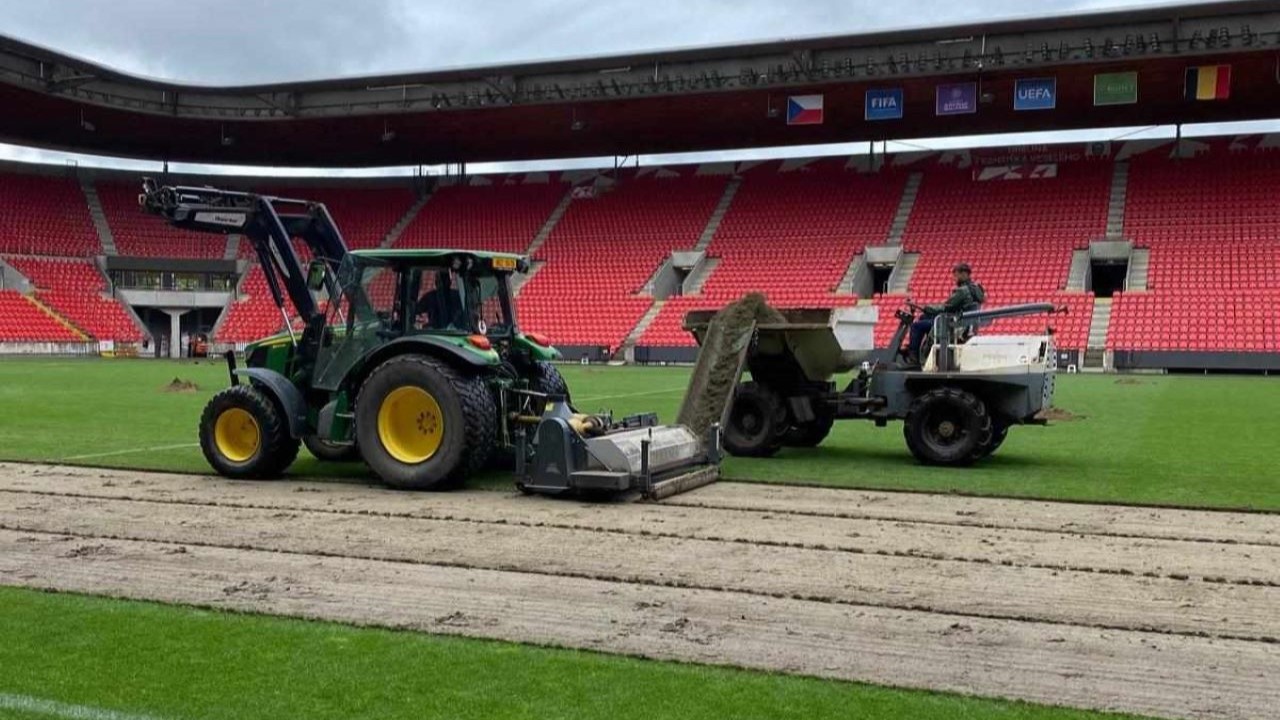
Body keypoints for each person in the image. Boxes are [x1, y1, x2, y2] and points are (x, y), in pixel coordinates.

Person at [907, 263, 984, 366]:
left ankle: (914, 359)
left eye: (956, 275)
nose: (954, 279)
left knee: (916, 326)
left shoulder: (962, 291)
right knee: (923, 317)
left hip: (955, 325)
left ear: (964, 274)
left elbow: (945, 307)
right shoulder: (976, 289)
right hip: (965, 324)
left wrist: (924, 307)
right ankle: (927, 350)